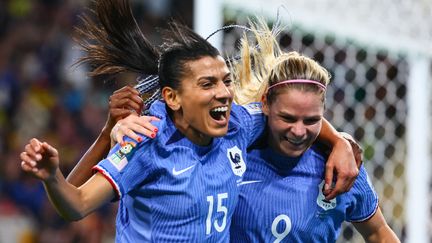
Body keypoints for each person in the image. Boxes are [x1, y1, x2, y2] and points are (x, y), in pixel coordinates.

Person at [19, 0, 358, 242]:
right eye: (207, 84)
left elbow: (289, 116)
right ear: (172, 97)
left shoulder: (238, 125)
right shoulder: (146, 142)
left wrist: (338, 140)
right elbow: (76, 204)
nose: (225, 93)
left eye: (226, 80)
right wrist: (52, 176)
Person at [226, 21, 399, 242]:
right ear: (265, 104)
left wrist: (338, 141)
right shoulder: (235, 154)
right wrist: (338, 139)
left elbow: (379, 232)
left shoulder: (342, 169)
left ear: (324, 113)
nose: (298, 131)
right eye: (287, 118)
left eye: (311, 120)